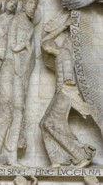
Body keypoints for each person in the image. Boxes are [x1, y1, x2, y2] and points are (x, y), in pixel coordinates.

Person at [0, 0, 38, 167]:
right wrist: (25, 45)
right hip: (10, 66)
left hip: (21, 71)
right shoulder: (15, 20)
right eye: (30, 3)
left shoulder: (30, 25)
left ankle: (11, 156)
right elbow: (12, 45)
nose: (33, 7)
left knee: (18, 111)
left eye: (35, 5)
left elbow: (31, 57)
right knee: (6, 109)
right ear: (24, 5)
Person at [40, 18, 96, 168]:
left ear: (52, 45)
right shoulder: (59, 54)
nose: (44, 47)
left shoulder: (63, 53)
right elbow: (45, 40)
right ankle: (57, 159)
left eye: (47, 46)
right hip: (61, 92)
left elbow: (69, 79)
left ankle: (80, 155)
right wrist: (63, 25)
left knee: (48, 124)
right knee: (44, 124)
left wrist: (67, 93)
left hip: (65, 92)